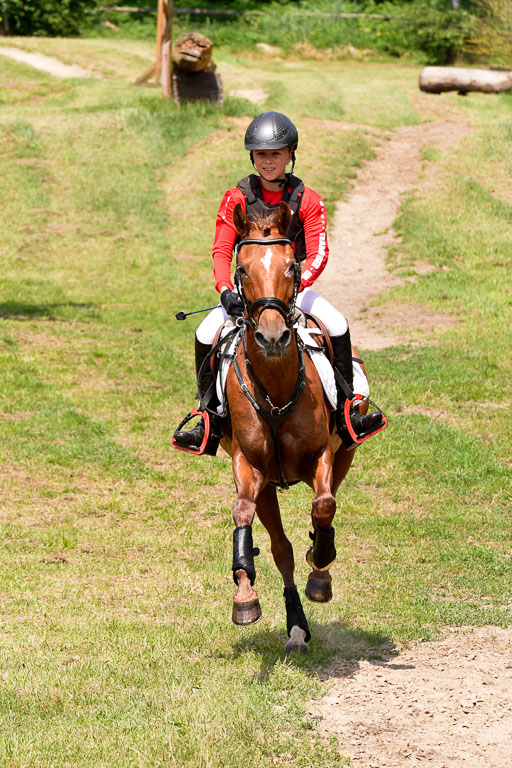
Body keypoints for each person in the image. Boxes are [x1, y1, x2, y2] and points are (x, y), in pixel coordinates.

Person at [173, 111, 383, 453]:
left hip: (293, 287)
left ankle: (349, 414)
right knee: (203, 333)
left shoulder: (308, 198)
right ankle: (208, 420)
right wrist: (225, 290)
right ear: (252, 157)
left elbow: (319, 252)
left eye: (275, 153)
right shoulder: (236, 197)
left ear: (290, 154)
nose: (268, 161)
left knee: (338, 325)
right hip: (249, 291)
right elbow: (221, 248)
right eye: (261, 154)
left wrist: (296, 284)